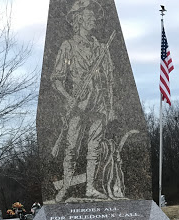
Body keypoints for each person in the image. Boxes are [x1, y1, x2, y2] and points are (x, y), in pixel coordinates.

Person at [51, 0, 115, 202]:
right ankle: (66, 187)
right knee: (71, 148)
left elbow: (109, 80)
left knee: (94, 147)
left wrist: (110, 106)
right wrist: (69, 98)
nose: (93, 19)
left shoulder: (101, 47)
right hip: (77, 104)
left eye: (93, 17)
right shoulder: (68, 46)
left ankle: (90, 188)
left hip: (98, 103)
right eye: (89, 16)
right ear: (79, 20)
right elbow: (57, 79)